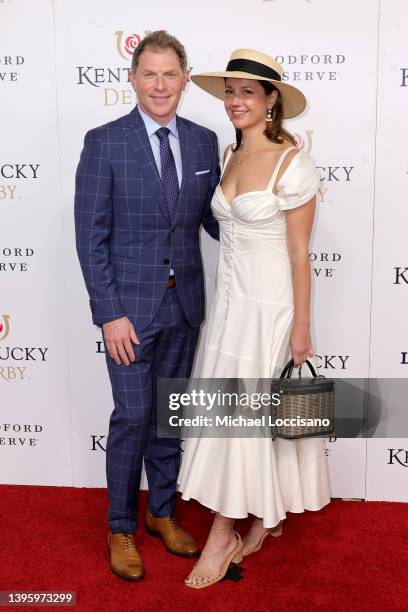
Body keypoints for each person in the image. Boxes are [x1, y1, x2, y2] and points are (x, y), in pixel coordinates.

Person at [177, 49, 331, 589]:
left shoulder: (293, 164)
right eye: (230, 92)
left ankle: (224, 535)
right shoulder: (228, 154)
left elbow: (299, 256)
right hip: (228, 309)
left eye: (248, 91)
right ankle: (266, 512)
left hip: (270, 311)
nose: (236, 101)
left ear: (272, 102)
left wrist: (302, 326)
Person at [74, 30, 220, 582]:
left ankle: (161, 512)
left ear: (184, 79)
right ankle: (120, 526)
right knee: (133, 416)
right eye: (149, 74)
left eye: (170, 74)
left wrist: (265, 201)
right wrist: (109, 312)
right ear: (132, 79)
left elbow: (215, 218)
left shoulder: (206, 142)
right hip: (127, 315)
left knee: (167, 418)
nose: (160, 85)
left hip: (185, 306)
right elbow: (91, 237)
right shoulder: (104, 141)